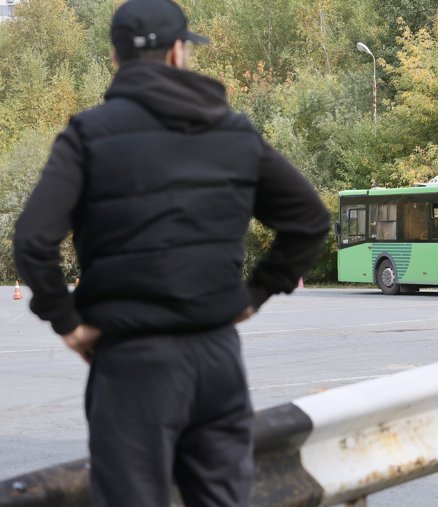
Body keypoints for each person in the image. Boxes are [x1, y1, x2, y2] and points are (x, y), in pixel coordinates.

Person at [12, 0, 330, 505]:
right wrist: (256, 292)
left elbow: (31, 240)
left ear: (116, 59)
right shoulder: (234, 131)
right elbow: (309, 220)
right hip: (217, 360)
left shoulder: (88, 135)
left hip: (133, 365)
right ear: (180, 52)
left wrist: (66, 321)